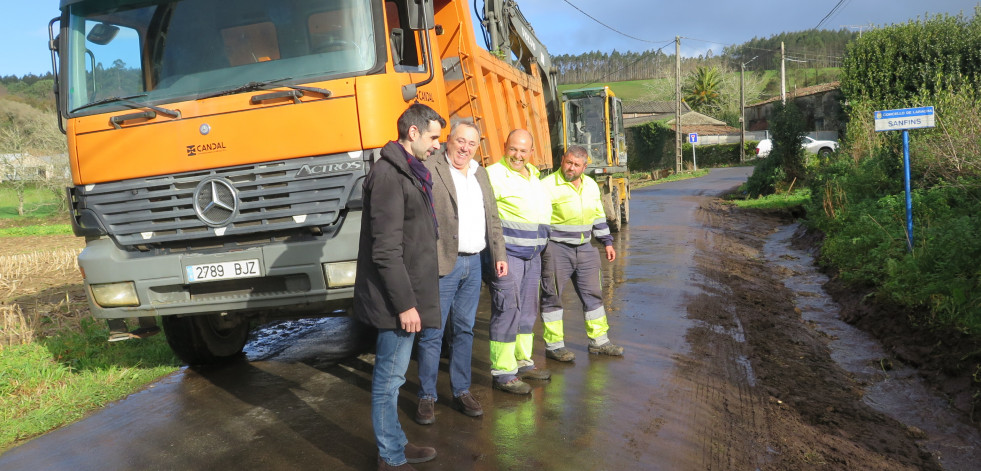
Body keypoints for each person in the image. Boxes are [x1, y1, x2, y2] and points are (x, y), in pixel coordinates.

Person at [353, 103, 445, 471]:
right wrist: (406, 305)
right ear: (413, 133)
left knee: (393, 379)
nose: (438, 145)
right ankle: (390, 457)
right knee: (388, 382)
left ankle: (395, 444)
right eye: (434, 137)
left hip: (407, 297)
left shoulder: (408, 171)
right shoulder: (390, 176)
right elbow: (386, 251)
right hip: (396, 304)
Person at [414, 121, 508, 424]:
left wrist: (499, 254)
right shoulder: (431, 167)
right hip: (443, 263)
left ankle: (461, 390)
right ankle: (427, 395)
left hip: (474, 262)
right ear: (447, 141)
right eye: (460, 141)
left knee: (465, 330)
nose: (465, 148)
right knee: (433, 332)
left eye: (471, 143)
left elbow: (492, 217)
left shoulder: (480, 173)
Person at [540, 146, 624, 362]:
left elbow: (598, 215)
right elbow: (539, 220)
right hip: (557, 249)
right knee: (552, 296)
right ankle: (555, 346)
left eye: (577, 165)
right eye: (568, 163)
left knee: (593, 295)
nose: (571, 168)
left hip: (586, 248)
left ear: (585, 167)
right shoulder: (547, 186)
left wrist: (607, 242)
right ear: (562, 161)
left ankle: (599, 341)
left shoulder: (591, 186)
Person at [484, 129, 553, 395]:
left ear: (531, 153)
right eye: (513, 149)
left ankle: (522, 362)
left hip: (532, 255)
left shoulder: (534, 175)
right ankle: (503, 372)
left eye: (523, 151)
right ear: (505, 147)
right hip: (508, 254)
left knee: (526, 310)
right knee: (506, 309)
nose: (517, 155)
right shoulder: (493, 175)